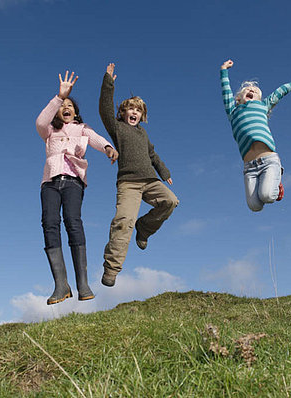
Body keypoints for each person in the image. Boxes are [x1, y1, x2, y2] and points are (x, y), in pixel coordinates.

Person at [36, 70, 118, 304]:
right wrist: (60, 96)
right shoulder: (50, 131)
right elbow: (41, 121)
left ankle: (82, 283)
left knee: (73, 222)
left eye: (70, 105)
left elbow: (96, 139)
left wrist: (108, 149)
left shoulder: (81, 130)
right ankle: (61, 285)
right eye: (64, 106)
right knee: (49, 225)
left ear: (75, 113)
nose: (66, 107)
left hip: (73, 183)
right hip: (50, 184)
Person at [99, 63, 179, 287]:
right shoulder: (117, 128)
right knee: (124, 222)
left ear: (142, 115)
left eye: (138, 110)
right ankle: (112, 269)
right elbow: (104, 109)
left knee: (170, 201)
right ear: (123, 113)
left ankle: (144, 228)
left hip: (151, 180)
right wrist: (108, 82)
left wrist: (164, 172)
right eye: (130, 109)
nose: (134, 112)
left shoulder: (143, 133)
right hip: (128, 183)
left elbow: (152, 154)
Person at [220, 59, 291, 211]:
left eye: (256, 91)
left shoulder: (262, 106)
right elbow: (226, 91)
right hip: (249, 168)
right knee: (255, 206)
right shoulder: (233, 112)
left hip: (269, 161)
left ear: (259, 98)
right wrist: (223, 70)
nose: (251, 90)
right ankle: (269, 183)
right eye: (247, 90)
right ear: (238, 98)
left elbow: (282, 90)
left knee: (267, 196)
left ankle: (276, 181)